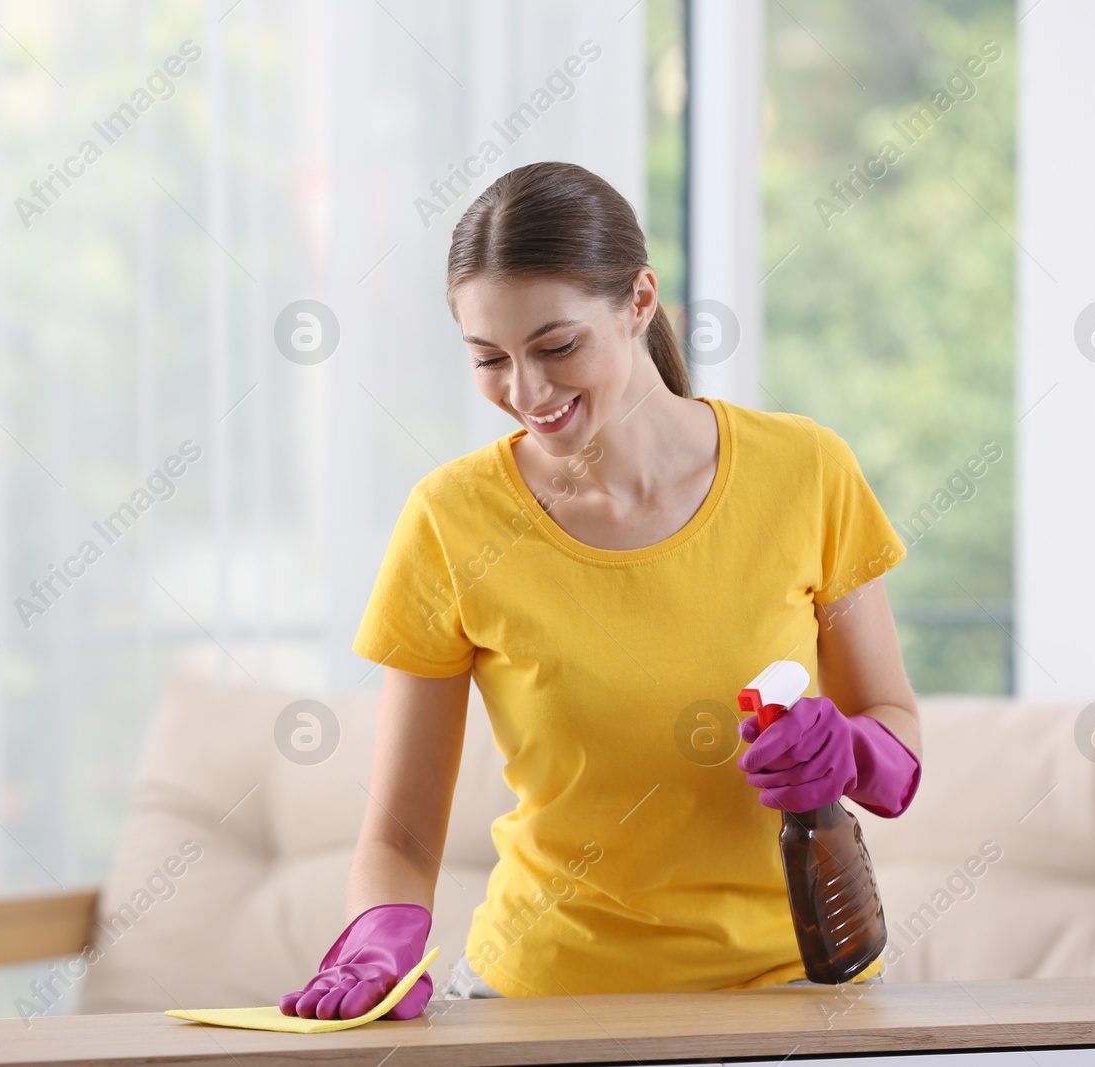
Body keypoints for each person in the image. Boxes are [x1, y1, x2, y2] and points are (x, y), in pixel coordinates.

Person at [279, 161, 922, 1021]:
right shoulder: (451, 520)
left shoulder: (805, 471)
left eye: (556, 346)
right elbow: (398, 834)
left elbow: (895, 739)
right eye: (489, 359)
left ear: (640, 300)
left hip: (795, 996)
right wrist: (378, 932)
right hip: (542, 1007)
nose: (528, 392)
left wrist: (849, 749)